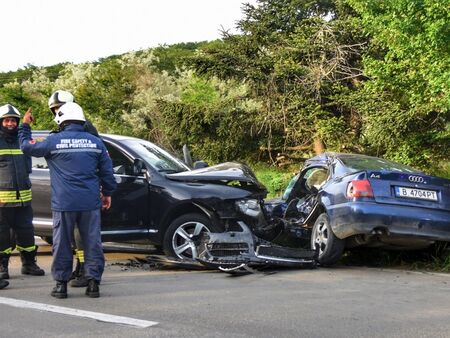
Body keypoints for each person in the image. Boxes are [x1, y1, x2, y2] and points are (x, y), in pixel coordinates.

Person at [19, 102, 116, 298]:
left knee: (62, 242)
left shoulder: (54, 141)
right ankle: (93, 285)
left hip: (64, 204)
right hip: (90, 203)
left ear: (61, 120)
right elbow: (107, 173)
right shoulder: (95, 142)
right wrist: (107, 193)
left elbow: (26, 147)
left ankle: (61, 286)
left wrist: (25, 126)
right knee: (92, 243)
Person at [48, 90, 98, 287]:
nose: (57, 113)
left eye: (59, 108)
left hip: (77, 193)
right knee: (71, 237)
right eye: (54, 110)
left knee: (81, 236)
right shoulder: (64, 130)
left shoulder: (86, 130)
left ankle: (85, 270)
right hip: (75, 193)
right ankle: (79, 270)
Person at [0, 104, 45, 288]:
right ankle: (2, 267)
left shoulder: (22, 140)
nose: (10, 123)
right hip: (2, 200)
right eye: (6, 120)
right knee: (2, 235)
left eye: (13, 120)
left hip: (24, 198)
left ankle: (29, 264)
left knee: (27, 232)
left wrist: (27, 125)